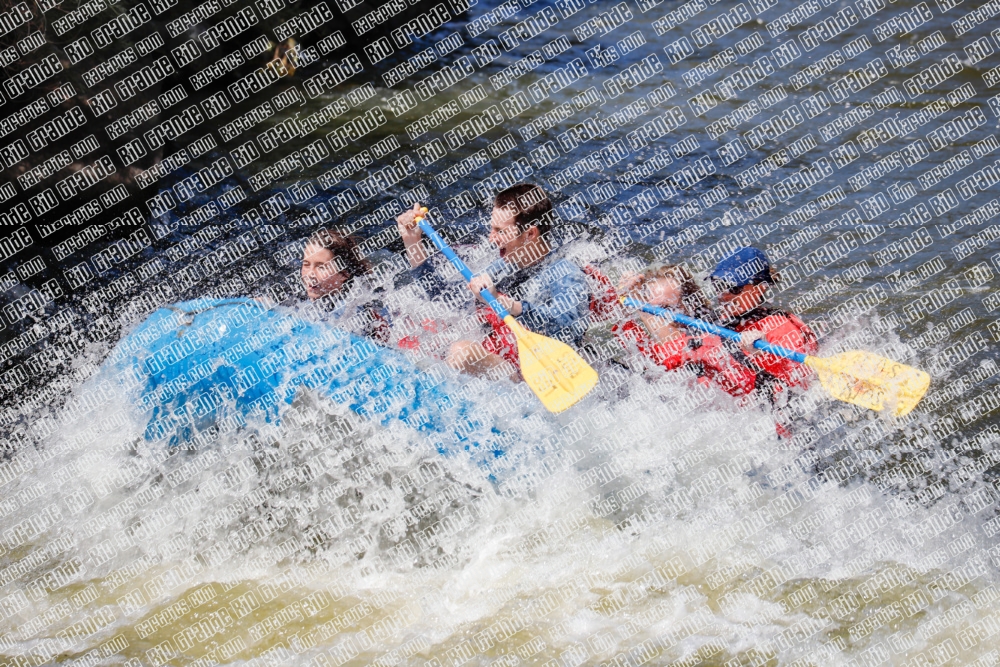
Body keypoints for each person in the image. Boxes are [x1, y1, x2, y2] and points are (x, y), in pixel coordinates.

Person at [395, 183, 592, 380]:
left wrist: (513, 306)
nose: (491, 239)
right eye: (492, 229)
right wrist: (412, 242)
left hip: (546, 375)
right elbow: (446, 300)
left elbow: (571, 327)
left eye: (500, 231)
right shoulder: (503, 267)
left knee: (462, 353)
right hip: (505, 363)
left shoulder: (564, 272)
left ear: (530, 234)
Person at [709, 247, 818, 429]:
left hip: (782, 426)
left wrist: (760, 350)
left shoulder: (780, 327)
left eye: (733, 288)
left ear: (760, 288)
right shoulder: (725, 320)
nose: (723, 295)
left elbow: (799, 377)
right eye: (718, 285)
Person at [613, 263, 757, 397]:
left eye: (666, 309)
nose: (656, 316)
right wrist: (620, 303)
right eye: (652, 307)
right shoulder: (658, 341)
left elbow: (667, 355)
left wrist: (642, 310)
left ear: (691, 305)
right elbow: (636, 346)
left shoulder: (709, 337)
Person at [299, 227, 391, 345]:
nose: (310, 274)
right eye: (306, 265)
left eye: (321, 267)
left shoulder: (350, 314)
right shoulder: (304, 302)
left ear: (344, 273)